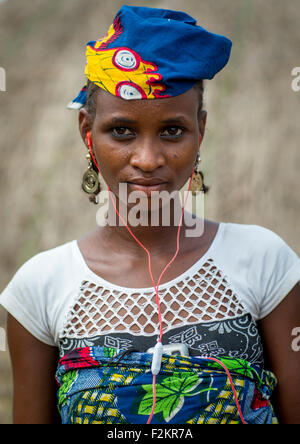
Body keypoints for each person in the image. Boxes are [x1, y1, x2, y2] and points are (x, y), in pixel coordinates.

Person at [1, 5, 300, 425]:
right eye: (121, 130)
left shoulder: (264, 261)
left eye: (172, 131)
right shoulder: (41, 288)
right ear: (87, 131)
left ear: (201, 131)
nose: (147, 158)